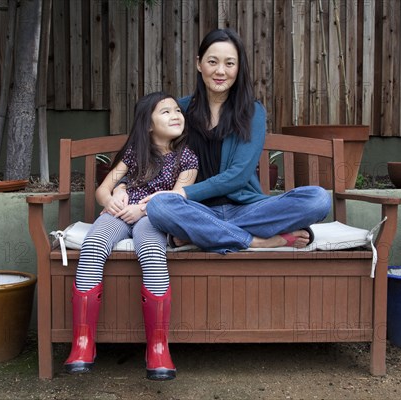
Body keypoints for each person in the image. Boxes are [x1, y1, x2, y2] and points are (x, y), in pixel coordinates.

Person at [140, 28, 331, 254]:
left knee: (318, 199)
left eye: (230, 64)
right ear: (199, 64)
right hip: (197, 210)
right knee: (160, 207)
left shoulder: (251, 112)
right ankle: (257, 241)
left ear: (238, 68)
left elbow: (238, 176)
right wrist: (122, 188)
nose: (220, 71)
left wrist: (182, 195)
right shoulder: (178, 110)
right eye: (213, 62)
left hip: (247, 209)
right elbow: (147, 150)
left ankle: (201, 234)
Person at [64, 92, 198, 381]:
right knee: (94, 243)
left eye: (177, 110)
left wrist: (141, 209)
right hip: (119, 213)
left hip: (153, 218)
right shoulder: (135, 153)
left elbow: (177, 198)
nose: (175, 115)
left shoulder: (187, 157)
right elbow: (103, 189)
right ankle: (83, 343)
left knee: (151, 250)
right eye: (165, 112)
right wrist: (111, 200)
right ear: (148, 125)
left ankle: (158, 346)